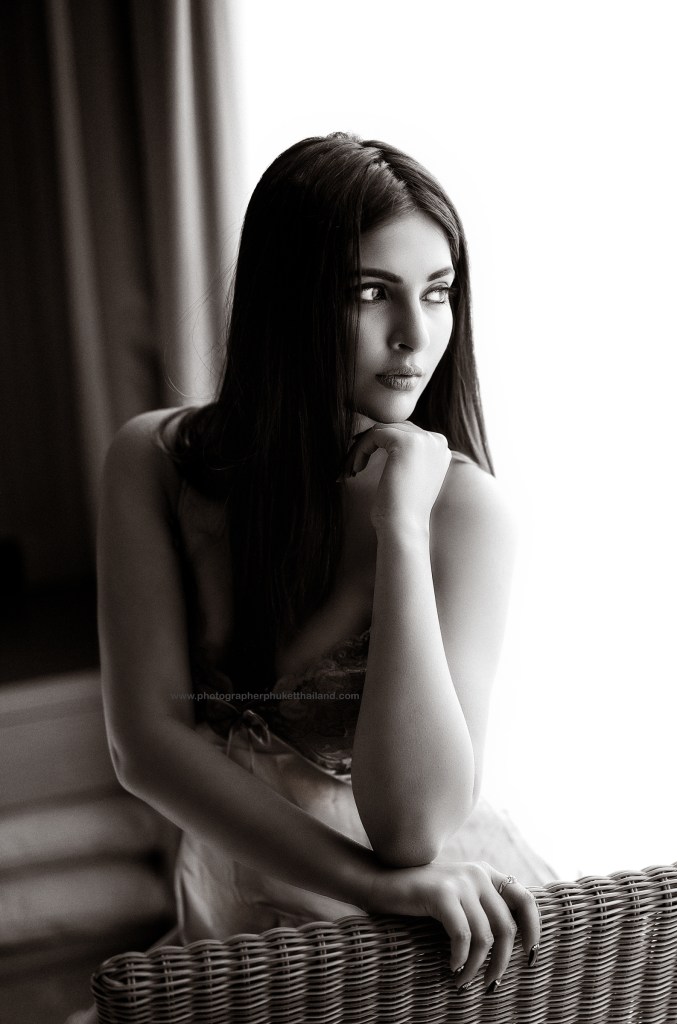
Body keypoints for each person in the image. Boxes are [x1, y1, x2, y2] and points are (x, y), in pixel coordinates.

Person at [73, 132, 555, 1022]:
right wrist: (377, 886)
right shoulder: (155, 460)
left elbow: (413, 832)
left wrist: (400, 529)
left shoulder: (464, 514)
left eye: (438, 294)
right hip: (237, 927)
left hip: (422, 947)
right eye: (370, 293)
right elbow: (142, 746)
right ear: (289, 300)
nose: (415, 336)